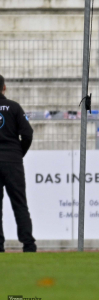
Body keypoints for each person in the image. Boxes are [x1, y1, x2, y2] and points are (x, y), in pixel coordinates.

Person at [0, 75, 36, 253]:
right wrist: (18, 153)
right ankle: (28, 245)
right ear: (4, 87)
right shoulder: (14, 107)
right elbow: (27, 133)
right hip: (12, 160)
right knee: (19, 203)